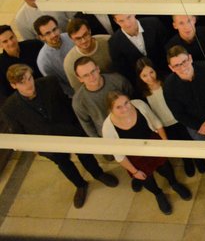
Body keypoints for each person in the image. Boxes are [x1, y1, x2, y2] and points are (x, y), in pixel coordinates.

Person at [2, 64, 120, 209]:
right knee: (64, 164)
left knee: (86, 155)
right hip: (47, 144)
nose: (28, 84)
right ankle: (80, 185)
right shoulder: (10, 108)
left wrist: (77, 126)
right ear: (13, 85)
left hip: (69, 130)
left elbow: (66, 103)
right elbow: (19, 134)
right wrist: (36, 149)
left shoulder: (49, 83)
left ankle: (98, 174)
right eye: (22, 82)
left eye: (29, 78)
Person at [101, 91, 192, 214]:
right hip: (134, 156)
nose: (125, 108)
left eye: (126, 103)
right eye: (118, 107)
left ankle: (174, 183)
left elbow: (156, 123)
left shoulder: (139, 105)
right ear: (110, 109)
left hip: (152, 144)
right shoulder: (108, 128)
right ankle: (158, 194)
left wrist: (165, 143)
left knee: (165, 167)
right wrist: (134, 172)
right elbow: (119, 156)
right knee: (146, 178)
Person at [163, 47, 205, 183]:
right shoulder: (169, 86)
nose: (182, 67)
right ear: (171, 68)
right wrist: (201, 126)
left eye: (184, 61)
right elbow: (178, 113)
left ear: (190, 58)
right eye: (177, 65)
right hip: (195, 125)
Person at [71, 56, 135, 138]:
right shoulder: (78, 101)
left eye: (93, 71)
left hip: (131, 125)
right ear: (80, 79)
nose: (92, 77)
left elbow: (133, 101)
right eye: (86, 75)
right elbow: (87, 126)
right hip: (106, 136)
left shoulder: (118, 80)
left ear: (98, 69)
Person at [33, 16, 74, 95]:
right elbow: (58, 85)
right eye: (47, 33)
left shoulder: (71, 37)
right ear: (41, 37)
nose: (53, 35)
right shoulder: (43, 61)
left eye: (54, 29)